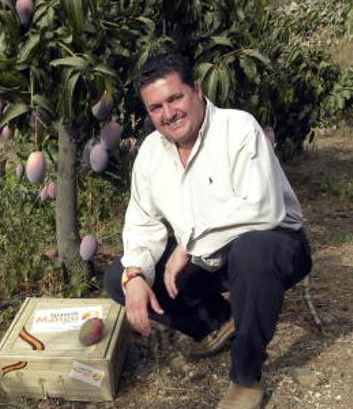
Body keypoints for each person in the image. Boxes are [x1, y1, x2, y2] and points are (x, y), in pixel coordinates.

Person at [104, 53, 312, 409]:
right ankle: (220, 322)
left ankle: (246, 377)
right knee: (116, 278)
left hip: (276, 245)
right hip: (207, 258)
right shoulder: (152, 153)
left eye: (175, 98)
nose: (168, 114)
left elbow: (263, 208)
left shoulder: (238, 128)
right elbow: (143, 221)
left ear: (197, 91)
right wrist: (135, 273)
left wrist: (190, 243)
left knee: (252, 251)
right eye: (156, 108)